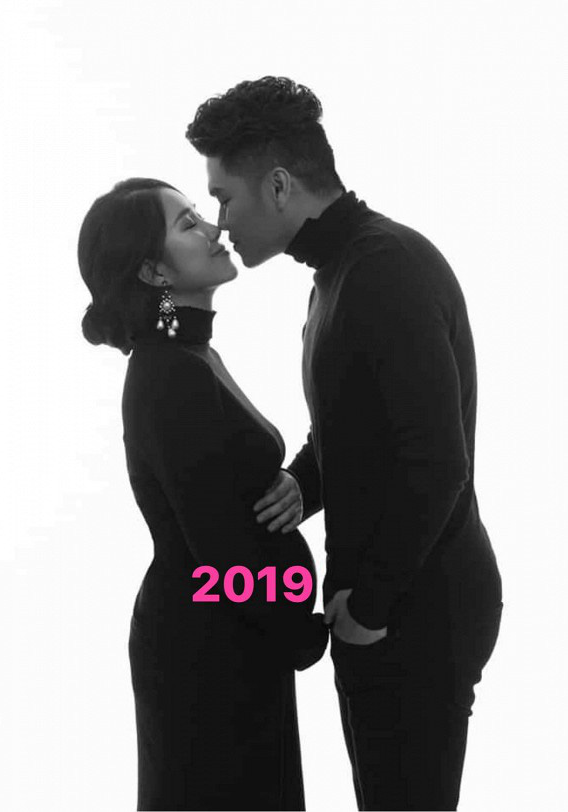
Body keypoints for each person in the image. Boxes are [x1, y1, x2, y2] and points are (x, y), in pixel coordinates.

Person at [186, 76, 504, 811]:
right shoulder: (336, 274)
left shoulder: (385, 269)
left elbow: (436, 461)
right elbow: (354, 431)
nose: (220, 223)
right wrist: (302, 484)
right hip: (383, 606)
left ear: (278, 186)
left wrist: (374, 606)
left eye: (224, 198)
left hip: (418, 607)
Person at [77, 177, 328, 811]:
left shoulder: (185, 351)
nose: (215, 229)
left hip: (232, 635)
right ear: (153, 271)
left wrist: (296, 487)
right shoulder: (167, 371)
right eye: (189, 224)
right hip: (208, 651)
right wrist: (302, 631)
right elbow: (218, 543)